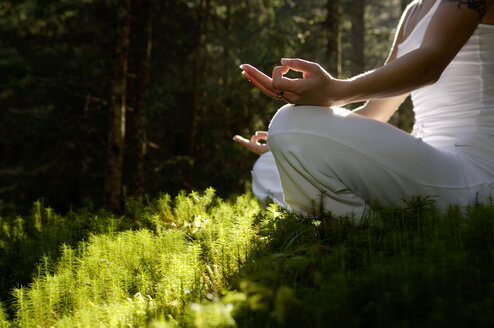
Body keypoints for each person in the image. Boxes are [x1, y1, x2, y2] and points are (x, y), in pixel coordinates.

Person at [234, 0, 494, 220]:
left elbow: (430, 65)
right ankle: (370, 225)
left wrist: (337, 91)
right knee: (268, 164)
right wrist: (291, 143)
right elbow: (377, 111)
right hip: (429, 160)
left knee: (289, 126)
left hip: (475, 172)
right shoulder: (414, 11)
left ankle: (360, 234)